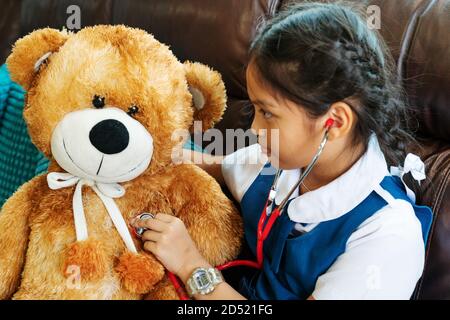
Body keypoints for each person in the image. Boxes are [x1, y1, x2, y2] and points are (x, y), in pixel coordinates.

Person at [130, 2, 432, 300]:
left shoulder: (387, 234)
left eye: (268, 113)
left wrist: (190, 265)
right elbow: (213, 165)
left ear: (334, 122)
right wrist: (144, 152)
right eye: (254, 108)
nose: (253, 130)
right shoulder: (281, 160)